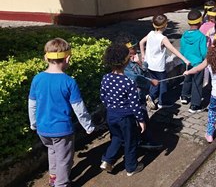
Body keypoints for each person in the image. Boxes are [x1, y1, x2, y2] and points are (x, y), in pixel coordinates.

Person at [28, 38, 95, 187]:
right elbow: (79, 108)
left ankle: (53, 177)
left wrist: (34, 123)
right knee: (64, 158)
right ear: (68, 58)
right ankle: (61, 183)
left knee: (52, 151)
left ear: (46, 58)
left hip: (43, 129)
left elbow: (32, 104)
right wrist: (88, 126)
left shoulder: (37, 79)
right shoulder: (69, 81)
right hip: (62, 130)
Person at [100, 43, 146, 176]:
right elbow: (134, 104)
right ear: (126, 62)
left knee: (116, 137)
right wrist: (141, 120)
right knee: (130, 141)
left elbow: (103, 97)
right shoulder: (128, 82)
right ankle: (131, 167)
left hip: (111, 115)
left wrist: (111, 107)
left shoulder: (106, 78)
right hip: (125, 117)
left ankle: (107, 160)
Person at [116, 33, 162, 149]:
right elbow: (135, 78)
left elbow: (144, 70)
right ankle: (146, 140)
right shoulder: (124, 66)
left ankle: (141, 138)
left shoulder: (134, 59)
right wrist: (150, 82)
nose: (135, 52)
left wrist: (139, 63)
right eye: (132, 50)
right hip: (133, 98)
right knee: (141, 118)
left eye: (136, 49)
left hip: (140, 96)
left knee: (141, 118)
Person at [140, 14, 190, 109]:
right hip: (159, 66)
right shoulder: (163, 38)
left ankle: (151, 96)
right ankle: (162, 102)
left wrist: (143, 55)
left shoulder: (150, 33)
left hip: (149, 64)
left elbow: (141, 42)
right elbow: (173, 50)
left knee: (154, 81)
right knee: (163, 83)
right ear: (165, 25)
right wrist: (184, 59)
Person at [180, 9, 208, 113]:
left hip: (186, 62)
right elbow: (204, 51)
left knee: (187, 80)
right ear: (200, 22)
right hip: (198, 64)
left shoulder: (184, 35)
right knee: (197, 83)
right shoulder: (201, 36)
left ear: (188, 22)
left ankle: (184, 96)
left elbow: (182, 49)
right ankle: (195, 105)